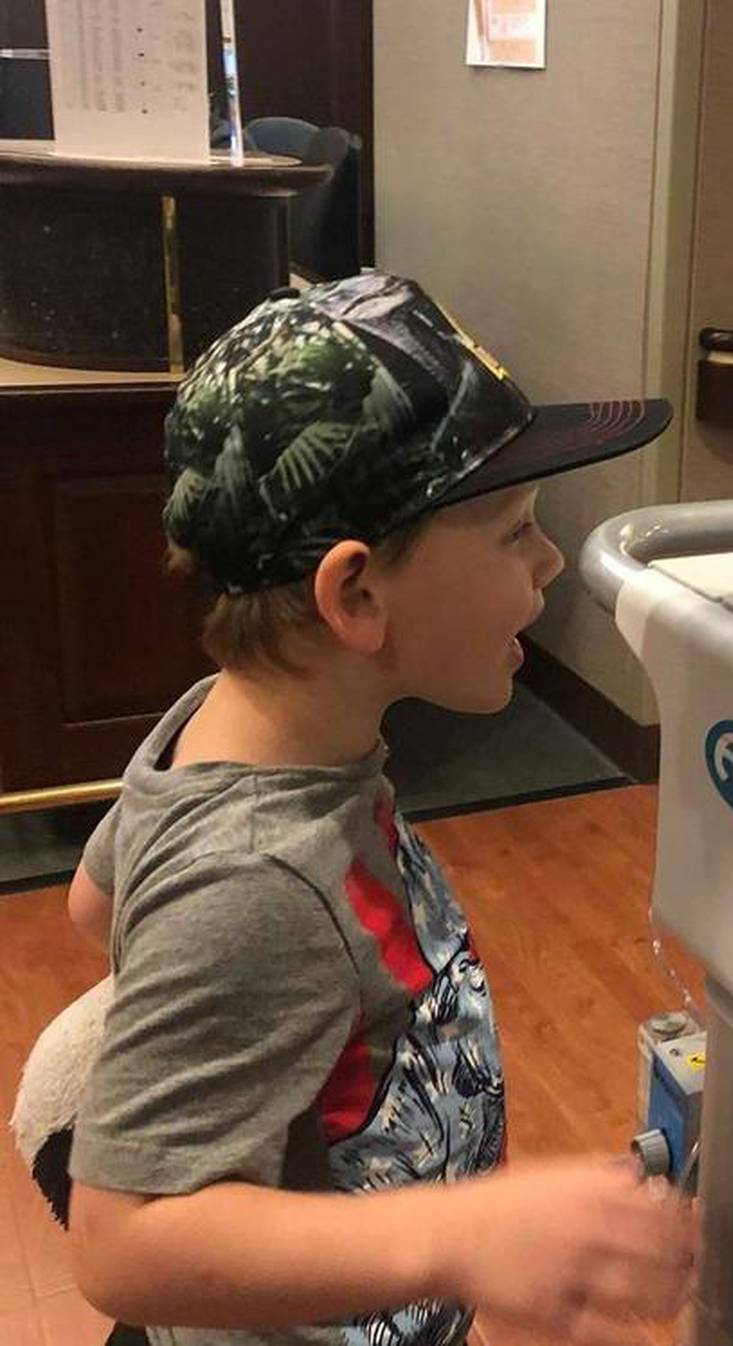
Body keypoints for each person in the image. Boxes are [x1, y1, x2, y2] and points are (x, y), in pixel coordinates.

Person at [60, 273, 697, 1346]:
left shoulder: (220, 722)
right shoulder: (257, 875)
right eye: (513, 531)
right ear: (355, 595)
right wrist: (457, 1233)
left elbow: (93, 902)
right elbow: (118, 1241)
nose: (548, 562)